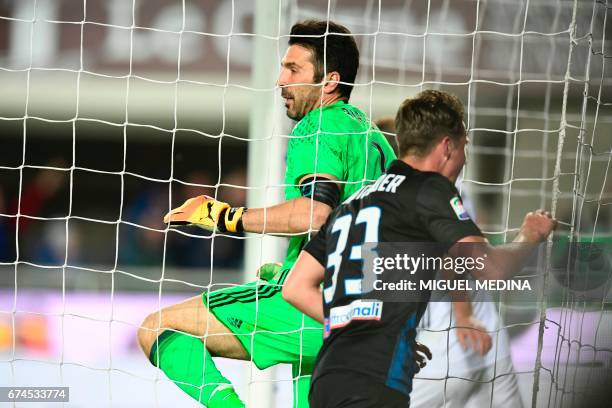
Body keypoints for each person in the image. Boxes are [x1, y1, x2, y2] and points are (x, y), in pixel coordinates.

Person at [137, 19, 396, 408]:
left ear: (329, 81)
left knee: (157, 327)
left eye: (293, 70)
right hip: (368, 311)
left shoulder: (318, 125)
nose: (280, 80)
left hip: (314, 306)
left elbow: (313, 214)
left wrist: (220, 216)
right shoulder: (373, 137)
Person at [282, 89, 557, 407]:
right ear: (447, 146)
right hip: (376, 381)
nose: (464, 159)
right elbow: (490, 269)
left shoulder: (354, 202)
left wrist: (370, 326)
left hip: (328, 379)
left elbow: (296, 288)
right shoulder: (429, 188)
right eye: (464, 147)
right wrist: (530, 236)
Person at [374, 116, 523, 407]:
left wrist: (463, 313)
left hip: (445, 344)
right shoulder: (448, 184)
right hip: (488, 338)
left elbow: (454, 254)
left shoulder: (412, 193)